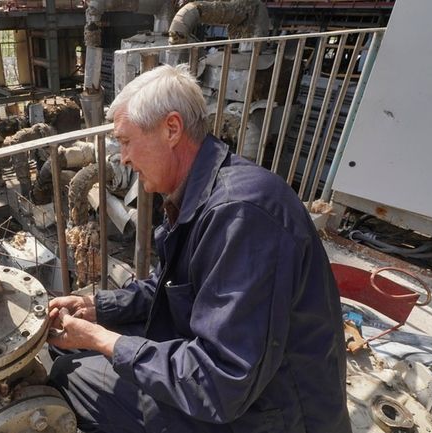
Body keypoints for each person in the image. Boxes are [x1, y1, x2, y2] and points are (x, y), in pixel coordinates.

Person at [47, 64, 351, 433]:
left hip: (267, 414)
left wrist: (102, 340)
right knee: (69, 346)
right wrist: (97, 309)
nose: (123, 158)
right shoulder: (200, 192)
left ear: (171, 129)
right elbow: (170, 284)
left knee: (70, 373)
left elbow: (221, 382)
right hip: (241, 387)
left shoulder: (242, 215)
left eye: (126, 141)